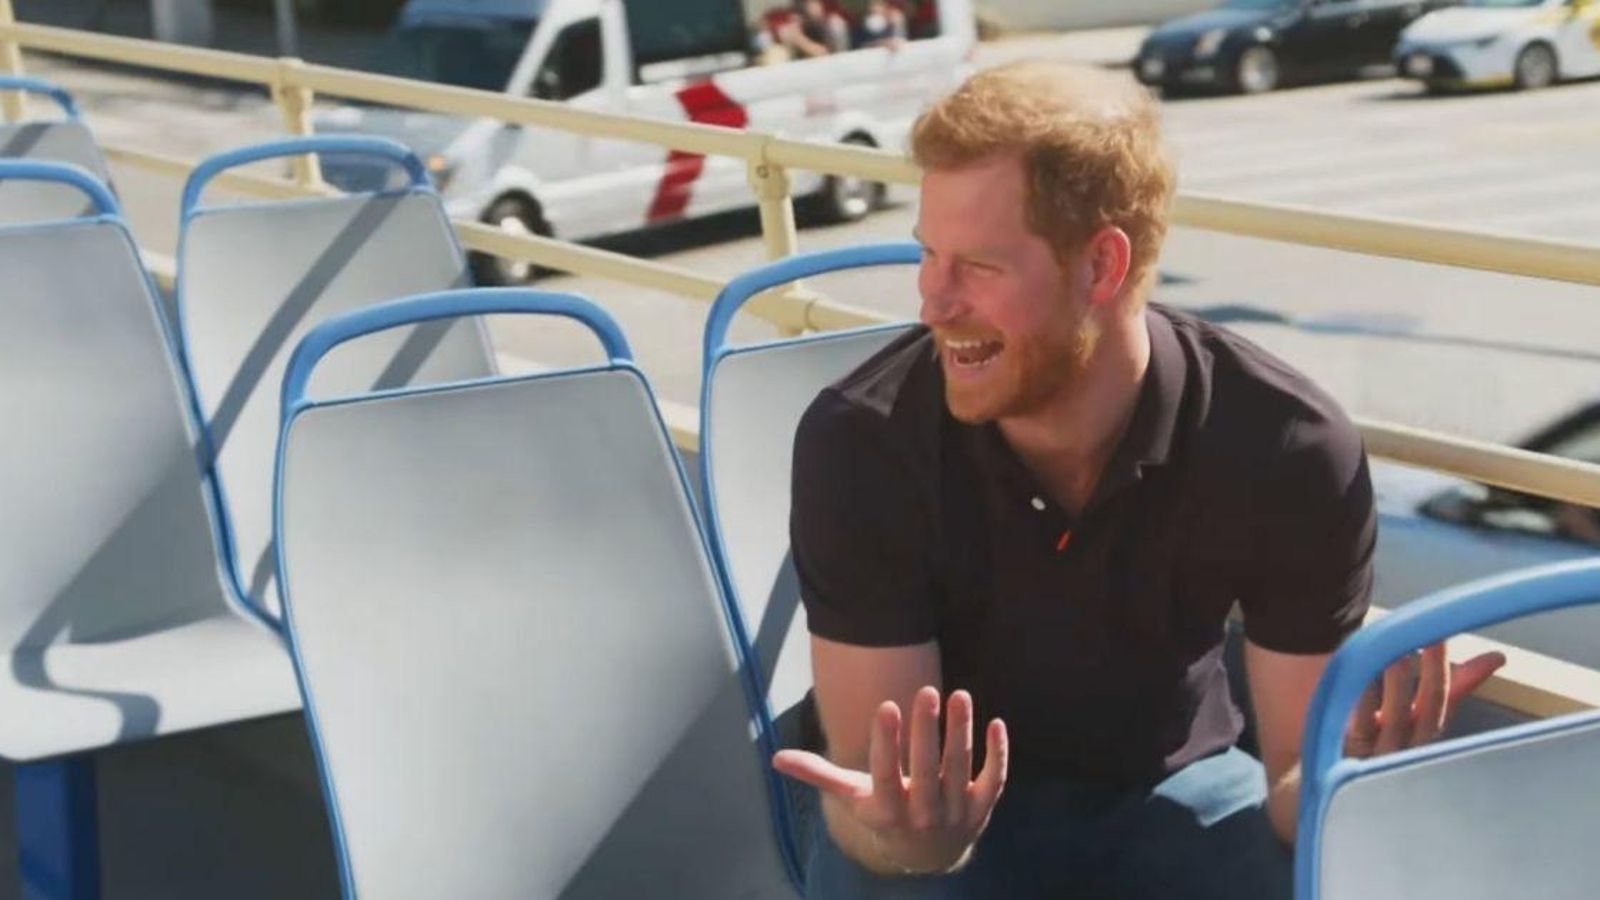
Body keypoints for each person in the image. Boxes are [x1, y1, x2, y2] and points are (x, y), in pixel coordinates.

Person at [772, 60, 1506, 899]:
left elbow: (1294, 785)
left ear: (1101, 267)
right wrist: (916, 839)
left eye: (977, 267)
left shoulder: (1288, 446)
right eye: (928, 255)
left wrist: (1349, 790)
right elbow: (877, 790)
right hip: (933, 827)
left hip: (1173, 791)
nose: (932, 303)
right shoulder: (861, 442)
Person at [779, 0, 849, 59]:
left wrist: (799, 39)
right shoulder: (793, 19)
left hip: (833, 64)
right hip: (802, 65)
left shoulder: (833, 23)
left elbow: (828, 55)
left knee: (837, 25)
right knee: (779, 52)